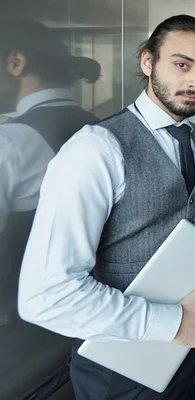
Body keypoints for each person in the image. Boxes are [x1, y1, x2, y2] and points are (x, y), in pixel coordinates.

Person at [18, 15, 195, 399]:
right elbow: (45, 296)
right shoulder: (95, 150)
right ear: (147, 62)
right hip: (123, 364)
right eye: (182, 65)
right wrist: (172, 322)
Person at [0, 19, 100, 398]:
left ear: (16, 62)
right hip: (89, 338)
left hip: (21, 348)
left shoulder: (11, 143)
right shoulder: (105, 129)